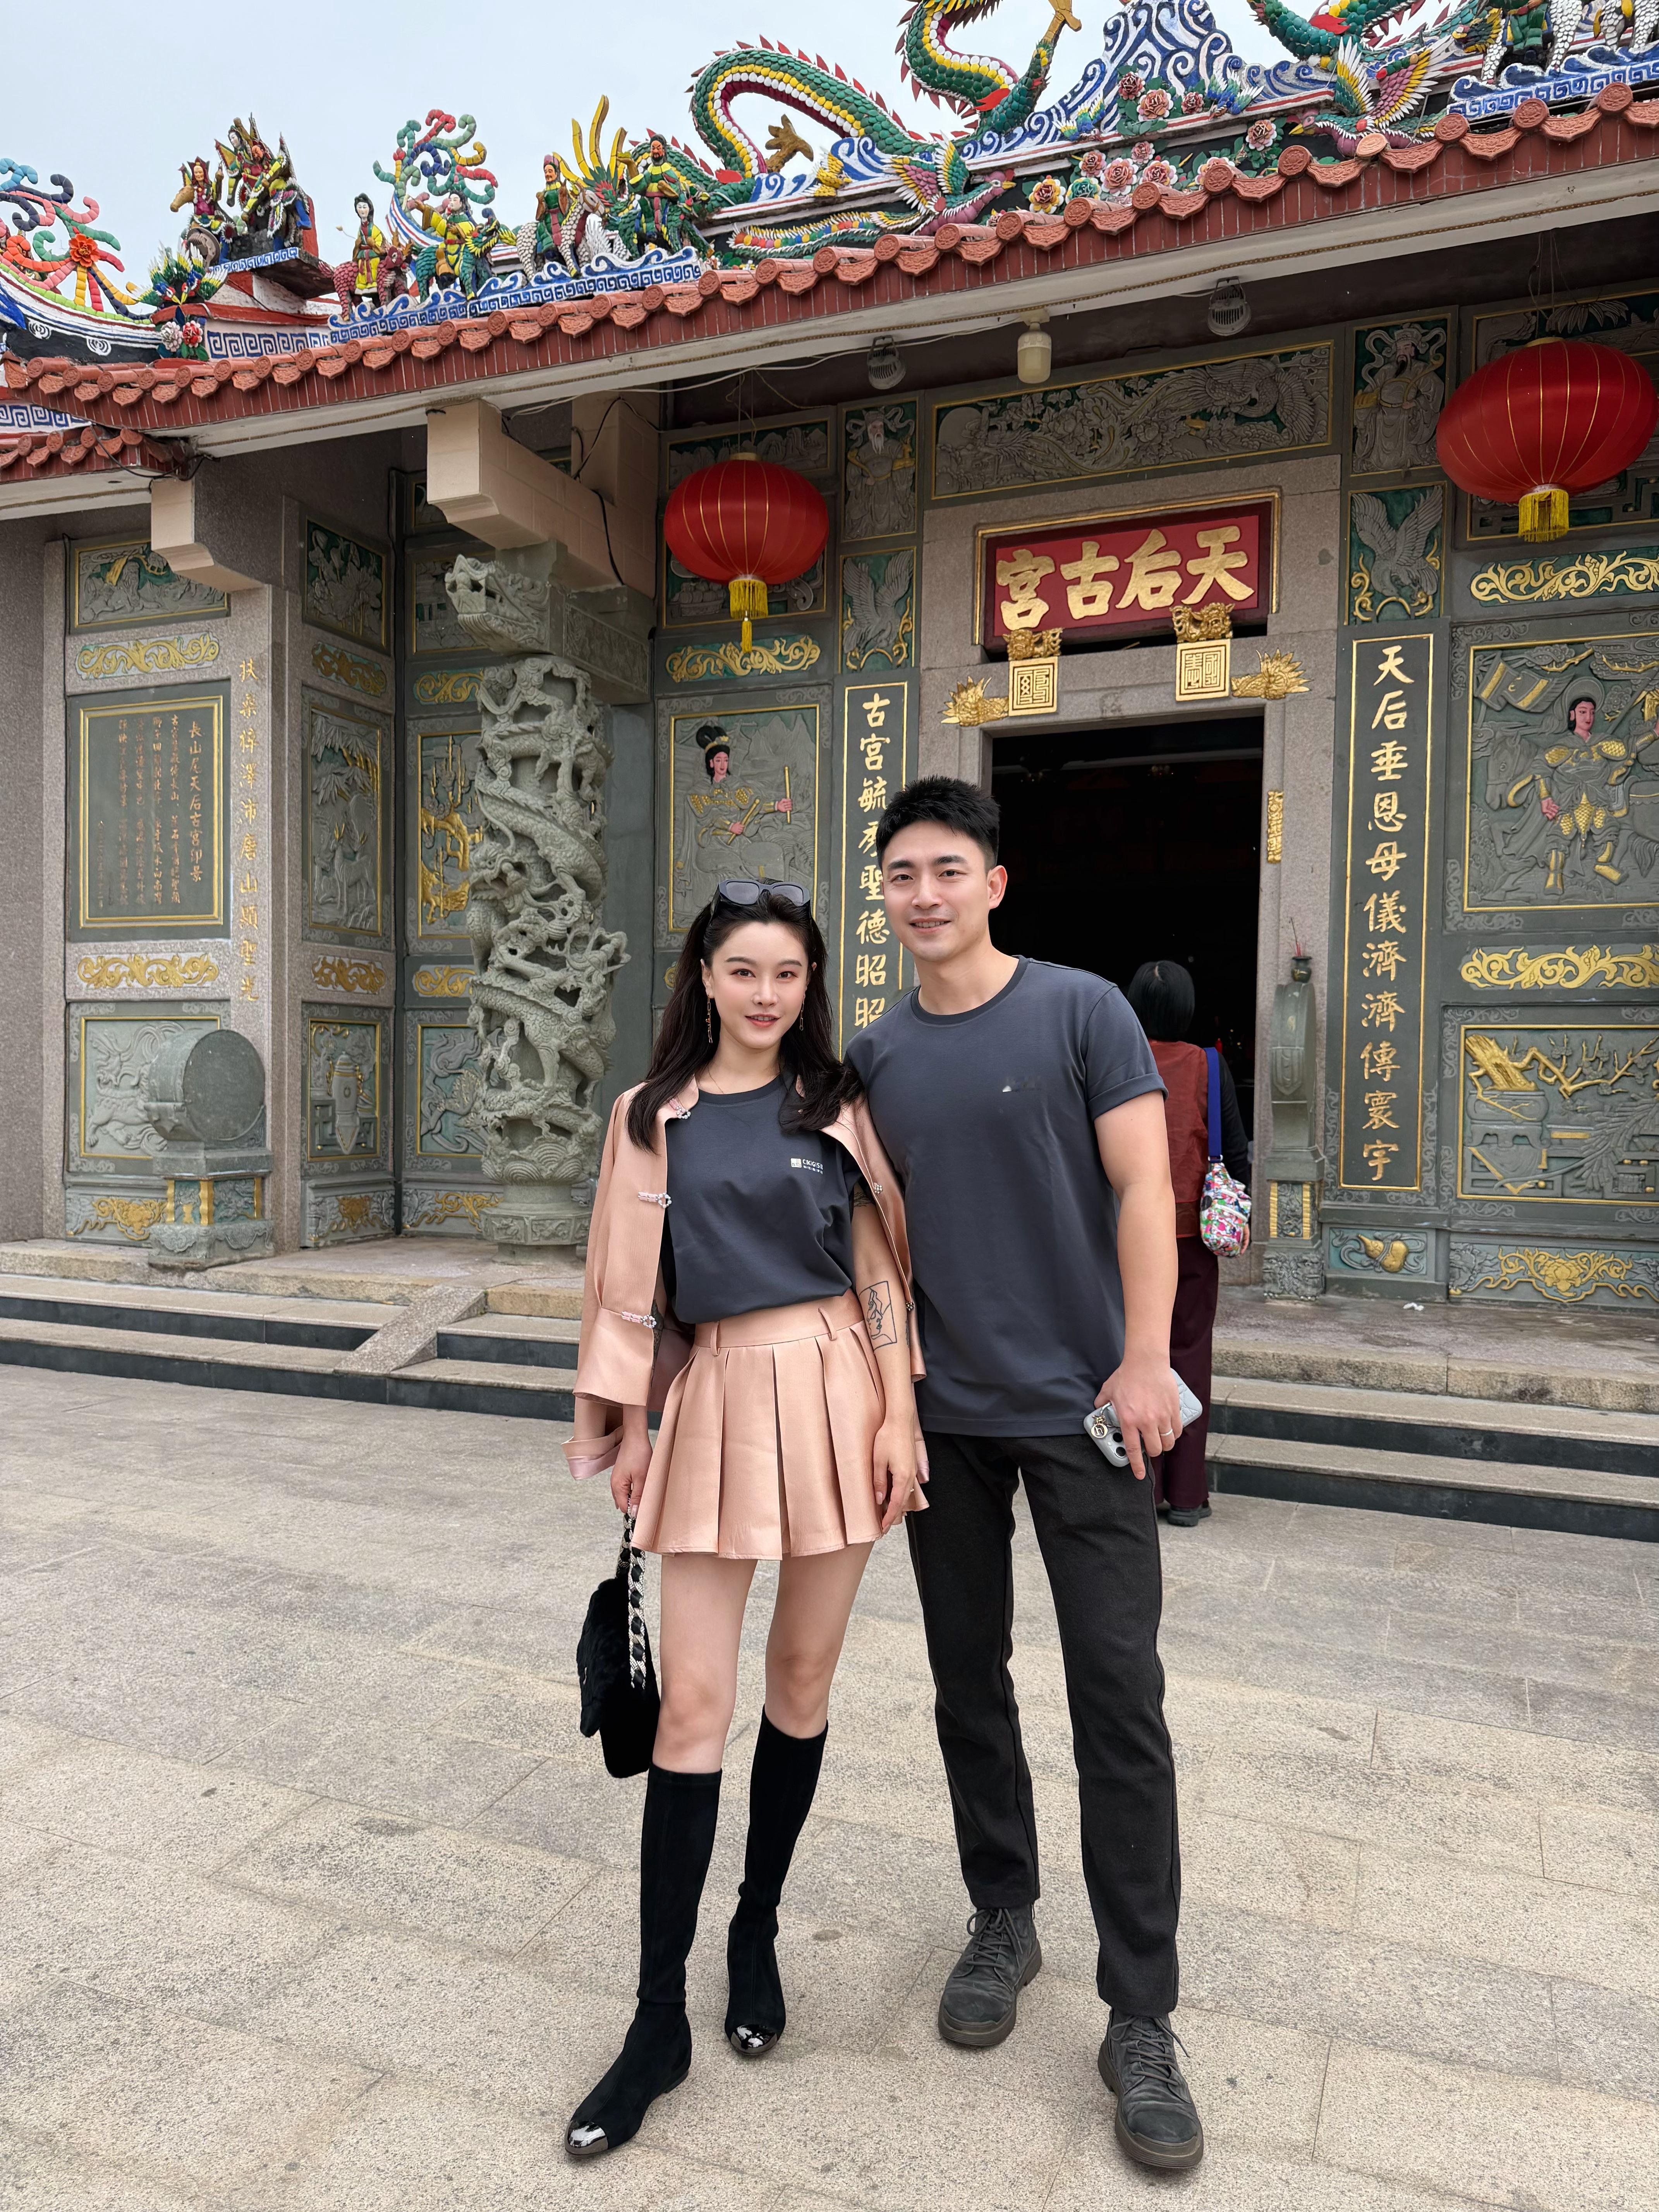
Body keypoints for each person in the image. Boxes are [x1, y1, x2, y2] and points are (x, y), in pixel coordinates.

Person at [845, 777, 1204, 2176]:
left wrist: (1141, 1358)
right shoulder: (873, 1056)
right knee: (966, 1681)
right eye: (900, 875)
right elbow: (873, 1247)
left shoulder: (1077, 1012)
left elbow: (1144, 1188)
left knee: (1118, 1699)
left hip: (1086, 1413)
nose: (922, 894)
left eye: (946, 869)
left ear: (993, 882)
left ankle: (1140, 2013)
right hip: (945, 1422)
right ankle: (1003, 1914)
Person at [562, 879, 925, 2162]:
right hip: (712, 1391)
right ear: (703, 979)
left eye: (787, 973)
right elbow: (628, 1288)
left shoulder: (834, 1106)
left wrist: (900, 1417)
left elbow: (879, 1272)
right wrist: (632, 1425)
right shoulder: (648, 1117)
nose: (765, 993)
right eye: (742, 970)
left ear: (809, 984)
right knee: (693, 1707)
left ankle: (756, 1925)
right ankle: (656, 2019)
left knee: (802, 1681)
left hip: (836, 1388)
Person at [1125, 961, 1251, 1529]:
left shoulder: (1113, 1058)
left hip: (1124, 1237)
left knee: (1128, 1352)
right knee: (1189, 1352)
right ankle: (1187, 1493)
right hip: (1190, 1237)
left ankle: (1139, 1486)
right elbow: (1237, 1153)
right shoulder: (1208, 1065)